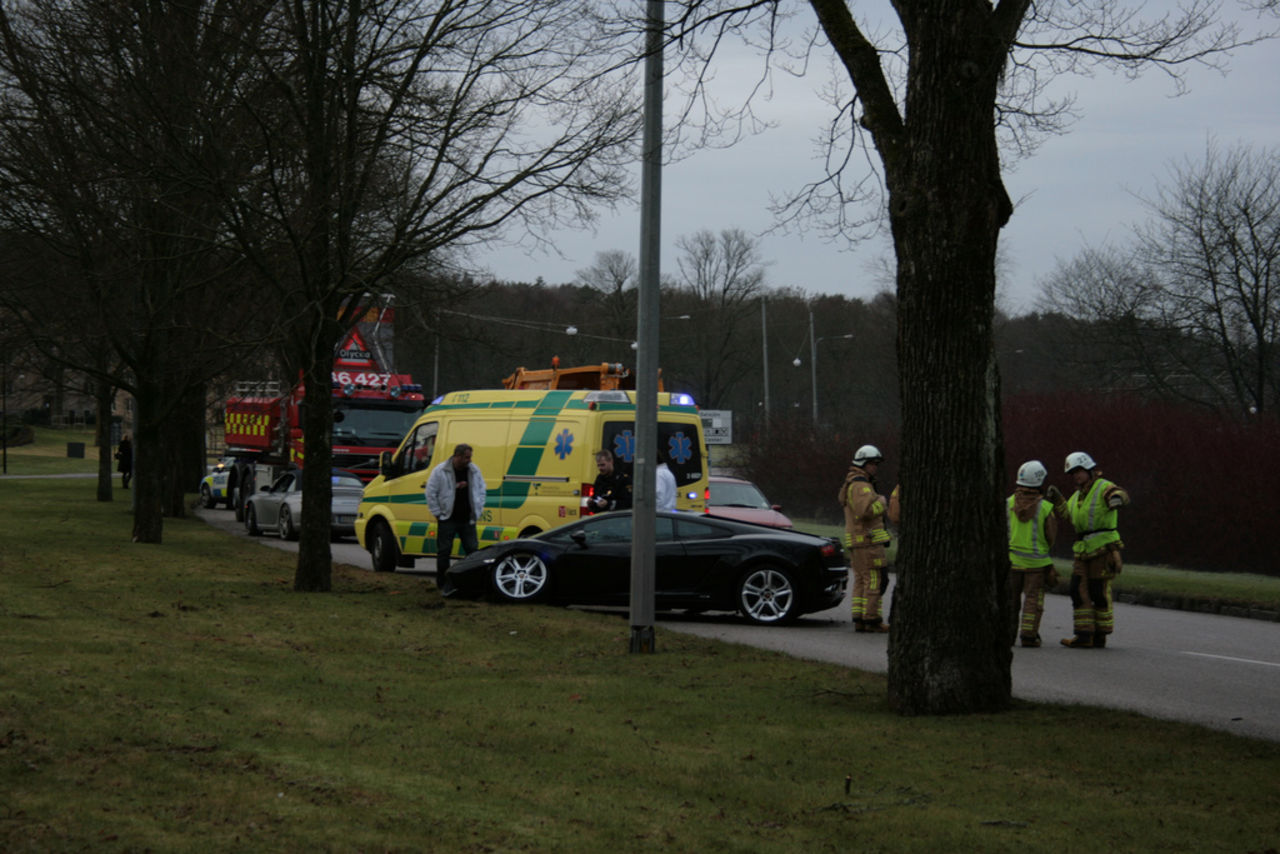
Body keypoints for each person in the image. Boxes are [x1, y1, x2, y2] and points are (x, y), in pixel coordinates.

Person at [1046, 451, 1130, 649]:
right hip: (1083, 551)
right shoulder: (1076, 496)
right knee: (1077, 590)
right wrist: (1059, 501)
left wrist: (1117, 498)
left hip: (1103, 549)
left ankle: (1101, 634)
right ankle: (1084, 635)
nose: (1076, 475)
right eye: (1072, 473)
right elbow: (1071, 515)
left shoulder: (1103, 487)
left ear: (1089, 470)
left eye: (1079, 471)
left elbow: (1120, 494)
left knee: (1097, 591)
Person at [839, 444, 891, 632]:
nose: (875, 467)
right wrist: (882, 503)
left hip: (859, 542)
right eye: (873, 463)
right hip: (867, 542)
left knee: (862, 579)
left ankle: (860, 618)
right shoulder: (861, 485)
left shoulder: (853, 482)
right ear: (863, 463)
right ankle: (872, 620)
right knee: (874, 579)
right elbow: (864, 511)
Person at [1007, 460, 1059, 648]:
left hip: (1011, 563)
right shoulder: (1045, 508)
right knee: (1032, 601)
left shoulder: (1008, 503)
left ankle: (1007, 634)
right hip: (1036, 565)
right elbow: (1051, 535)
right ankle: (1029, 635)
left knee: (1010, 601)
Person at [425, 443, 486, 578]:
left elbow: (482, 490)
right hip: (448, 518)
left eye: (470, 457)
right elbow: (430, 492)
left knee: (473, 551)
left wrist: (478, 509)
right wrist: (437, 513)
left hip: (467, 519)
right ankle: (443, 581)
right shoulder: (440, 471)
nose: (469, 460)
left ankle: (472, 580)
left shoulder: (474, 470)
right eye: (466, 457)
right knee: (444, 551)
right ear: (457, 456)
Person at [655, 445, 677, 512]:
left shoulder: (658, 474)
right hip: (667, 513)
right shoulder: (667, 472)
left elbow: (659, 496)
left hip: (660, 515)